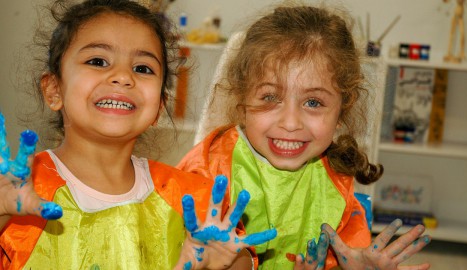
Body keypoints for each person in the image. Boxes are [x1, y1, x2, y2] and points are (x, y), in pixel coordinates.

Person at [0, 0, 276, 269]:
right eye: (98, 61)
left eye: (142, 68)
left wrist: (225, 264)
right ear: (54, 90)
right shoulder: (17, 194)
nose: (122, 76)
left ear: (159, 105)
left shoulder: (193, 199)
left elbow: (233, 257)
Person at [178, 4, 431, 269]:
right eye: (271, 97)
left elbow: (347, 253)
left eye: (312, 102)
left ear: (342, 109)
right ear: (242, 98)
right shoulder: (208, 170)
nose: (290, 123)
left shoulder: (336, 181)